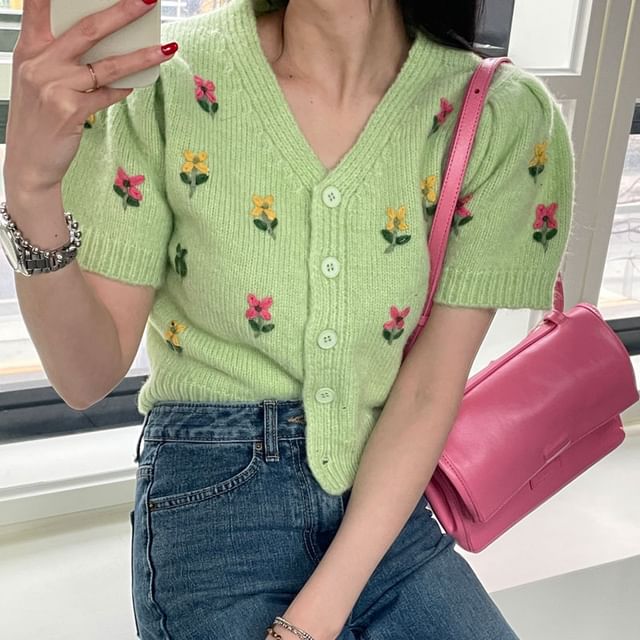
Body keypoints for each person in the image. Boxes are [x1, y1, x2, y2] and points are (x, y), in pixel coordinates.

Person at [2, 0, 575, 638]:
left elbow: (427, 389)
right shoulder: (167, 81)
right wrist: (30, 190)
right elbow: (84, 376)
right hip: (212, 506)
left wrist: (312, 619)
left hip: (386, 514)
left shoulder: (499, 116)